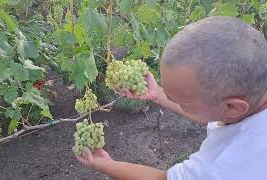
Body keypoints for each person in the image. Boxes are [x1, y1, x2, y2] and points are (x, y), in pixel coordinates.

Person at [74, 16, 267, 180]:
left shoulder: (222, 167)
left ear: (233, 107)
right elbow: (212, 114)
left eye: (182, 101)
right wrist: (157, 94)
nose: (172, 100)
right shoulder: (249, 100)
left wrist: (105, 164)